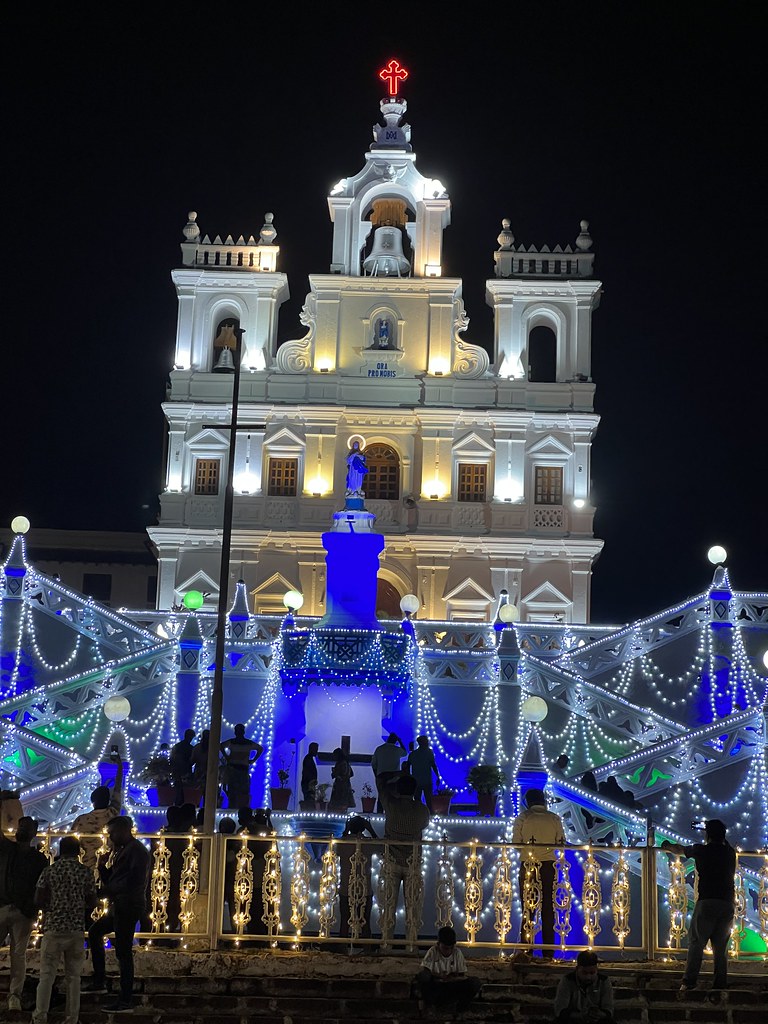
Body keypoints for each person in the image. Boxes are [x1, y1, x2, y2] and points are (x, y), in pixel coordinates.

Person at [661, 819, 736, 995]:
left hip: (707, 902)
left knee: (696, 943)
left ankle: (689, 982)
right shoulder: (730, 853)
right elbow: (725, 843)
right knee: (721, 948)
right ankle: (720, 985)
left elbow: (679, 849)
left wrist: (666, 844)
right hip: (727, 903)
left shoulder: (701, 850)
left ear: (707, 835)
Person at [85, 815, 150, 1013]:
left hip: (128, 905)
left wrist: (104, 893)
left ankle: (125, 1000)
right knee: (96, 933)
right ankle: (100, 981)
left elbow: (130, 881)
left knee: (123, 951)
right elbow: (113, 878)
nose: (110, 837)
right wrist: (102, 866)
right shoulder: (124, 850)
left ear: (123, 830)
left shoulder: (136, 851)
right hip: (120, 905)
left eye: (112, 832)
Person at [33, 835, 97, 1024]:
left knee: (46, 975)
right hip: (76, 928)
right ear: (78, 852)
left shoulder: (50, 871)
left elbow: (38, 899)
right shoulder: (85, 872)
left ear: (61, 851)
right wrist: (78, 906)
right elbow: (93, 901)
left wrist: (50, 907)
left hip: (53, 928)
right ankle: (71, 1018)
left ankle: (40, 1016)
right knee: (74, 977)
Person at [511, 788, 566, 958]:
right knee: (548, 907)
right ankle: (548, 951)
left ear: (528, 802)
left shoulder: (523, 818)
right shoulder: (554, 818)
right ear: (543, 801)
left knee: (528, 908)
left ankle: (527, 950)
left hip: (528, 865)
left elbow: (516, 843)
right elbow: (561, 842)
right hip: (549, 866)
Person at [0, 817, 47, 1011]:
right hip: (5, 906)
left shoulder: (38, 859)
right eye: (21, 826)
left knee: (18, 955)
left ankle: (14, 996)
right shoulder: (7, 850)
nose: (21, 830)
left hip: (23, 911)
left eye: (25, 827)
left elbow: (42, 887)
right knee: (18, 955)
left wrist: (31, 907)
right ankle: (14, 997)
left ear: (34, 833)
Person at [379, 774, 430, 942]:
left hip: (391, 861)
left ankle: (386, 944)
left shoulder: (391, 805)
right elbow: (424, 824)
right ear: (415, 790)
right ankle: (411, 945)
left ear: (398, 789)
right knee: (413, 909)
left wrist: (394, 778)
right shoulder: (422, 810)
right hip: (413, 862)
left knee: (388, 906)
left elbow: (382, 785)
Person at [71, 752, 124, 870]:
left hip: (84, 868)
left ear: (92, 801)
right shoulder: (113, 814)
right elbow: (118, 788)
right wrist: (119, 765)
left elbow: (71, 841)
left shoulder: (81, 820)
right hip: (107, 868)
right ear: (108, 800)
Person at [415, 925, 482, 1011]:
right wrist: (438, 976)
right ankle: (431, 1004)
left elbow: (462, 975)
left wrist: (452, 978)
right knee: (422, 978)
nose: (448, 951)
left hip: (452, 986)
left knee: (475, 982)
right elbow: (426, 972)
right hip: (437, 986)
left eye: (451, 948)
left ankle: (459, 1008)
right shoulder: (433, 951)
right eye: (445, 948)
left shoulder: (457, 953)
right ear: (439, 944)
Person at [339, 815, 378, 942]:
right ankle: (367, 949)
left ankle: (342, 948)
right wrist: (371, 830)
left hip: (346, 887)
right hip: (364, 889)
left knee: (344, 920)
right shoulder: (368, 843)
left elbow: (337, 848)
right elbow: (382, 847)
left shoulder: (343, 843)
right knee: (365, 921)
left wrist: (346, 830)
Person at [553, 950, 616, 1023]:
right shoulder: (568, 980)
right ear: (577, 969)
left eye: (592, 973)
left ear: (596, 970)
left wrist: (598, 1014)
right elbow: (560, 1010)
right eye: (584, 973)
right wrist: (580, 1015)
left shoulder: (603, 981)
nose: (588, 977)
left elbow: (608, 1009)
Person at [220, 724, 263, 811]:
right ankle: (240, 809)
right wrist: (252, 760)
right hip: (240, 768)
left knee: (236, 791)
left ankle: (235, 808)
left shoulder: (233, 742)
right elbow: (260, 748)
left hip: (236, 768)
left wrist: (227, 756)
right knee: (239, 791)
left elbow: (221, 746)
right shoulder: (247, 743)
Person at [371, 732, 407, 813]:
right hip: (394, 776)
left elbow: (373, 764)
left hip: (381, 775)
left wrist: (376, 775)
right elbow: (405, 752)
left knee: (381, 797)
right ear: (395, 741)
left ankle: (380, 814)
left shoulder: (379, 749)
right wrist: (400, 741)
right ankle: (393, 814)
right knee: (393, 797)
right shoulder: (397, 750)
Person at [407, 735, 441, 812]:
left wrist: (409, 777)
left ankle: (417, 815)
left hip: (416, 780)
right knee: (429, 800)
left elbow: (408, 766)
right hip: (427, 780)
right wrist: (437, 776)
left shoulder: (413, 754)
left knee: (417, 800)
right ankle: (429, 816)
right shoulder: (429, 752)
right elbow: (433, 765)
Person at [169, 728, 196, 804]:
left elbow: (171, 759)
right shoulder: (191, 748)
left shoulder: (177, 746)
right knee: (185, 792)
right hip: (185, 772)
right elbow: (192, 761)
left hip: (177, 772)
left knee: (178, 791)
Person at [329, 747, 355, 812]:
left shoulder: (342, 763)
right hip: (344, 785)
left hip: (341, 786)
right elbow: (351, 773)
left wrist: (335, 773)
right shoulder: (346, 762)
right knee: (342, 803)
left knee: (340, 802)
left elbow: (343, 774)